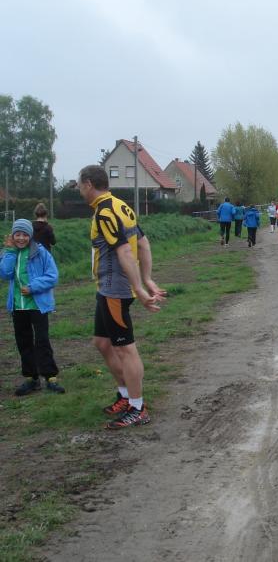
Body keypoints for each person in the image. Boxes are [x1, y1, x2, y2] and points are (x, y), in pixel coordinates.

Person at [78, 165, 166, 429]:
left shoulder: (106, 212)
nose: (80, 190)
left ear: (89, 184)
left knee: (125, 349)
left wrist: (139, 288)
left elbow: (126, 252)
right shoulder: (120, 206)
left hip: (115, 289)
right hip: (106, 288)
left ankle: (137, 408)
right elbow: (143, 243)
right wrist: (147, 278)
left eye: (80, 185)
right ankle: (125, 396)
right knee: (102, 343)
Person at [1, 219, 65, 395]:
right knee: (24, 342)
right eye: (17, 234)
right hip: (18, 306)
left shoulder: (41, 252)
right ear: (13, 235)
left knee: (42, 341)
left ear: (30, 236)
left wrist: (33, 287)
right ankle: (31, 378)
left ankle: (51, 377)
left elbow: (52, 276)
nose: (21, 238)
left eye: (24, 235)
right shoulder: (10, 252)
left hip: (38, 305)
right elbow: (5, 273)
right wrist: (10, 251)